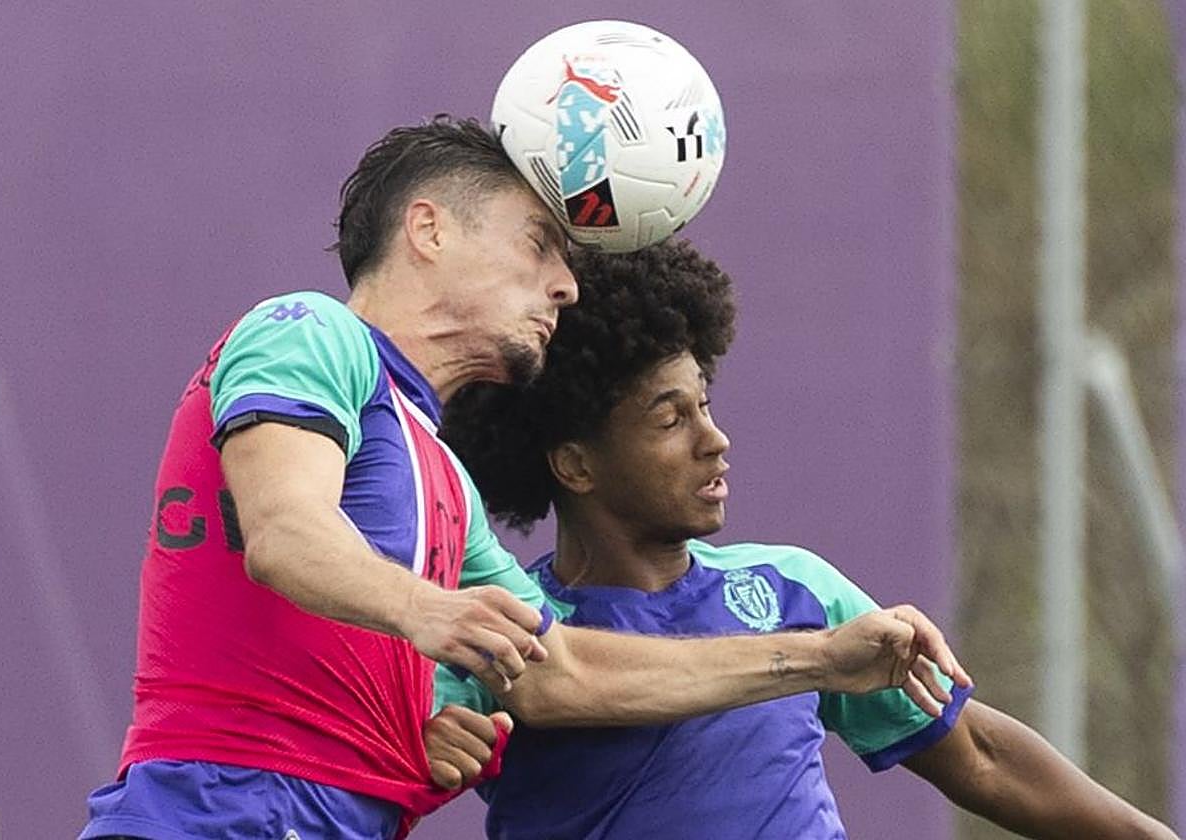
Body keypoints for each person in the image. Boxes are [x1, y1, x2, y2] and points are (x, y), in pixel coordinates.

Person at [78, 117, 970, 840]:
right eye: (540, 244)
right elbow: (284, 531)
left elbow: (560, 672)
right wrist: (432, 613)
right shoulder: (309, 332)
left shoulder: (443, 481)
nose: (565, 286)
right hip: (215, 811)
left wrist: (816, 659)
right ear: (428, 229)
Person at [432, 239, 1178, 839]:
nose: (715, 440)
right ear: (575, 464)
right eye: (671, 420)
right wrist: (429, 746)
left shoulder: (792, 589)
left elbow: (979, 758)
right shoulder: (503, 630)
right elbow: (383, 759)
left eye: (706, 405)